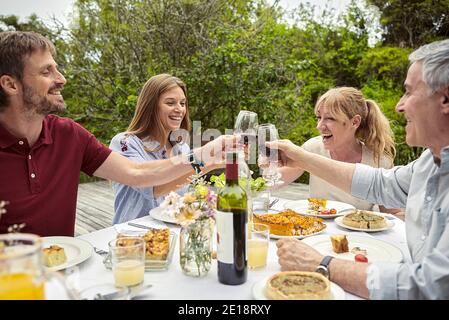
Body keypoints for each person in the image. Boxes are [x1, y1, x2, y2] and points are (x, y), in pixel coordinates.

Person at [0, 31, 233, 237]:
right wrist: (202, 158)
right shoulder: (125, 141)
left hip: (64, 273)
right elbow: (151, 188)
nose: (62, 79)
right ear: (11, 84)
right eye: (46, 71)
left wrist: (203, 157)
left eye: (57, 68)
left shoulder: (69, 135)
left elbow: (135, 172)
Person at [268, 39, 449, 299]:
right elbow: (381, 184)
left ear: (445, 99)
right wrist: (301, 157)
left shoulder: (379, 155)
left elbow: (429, 285)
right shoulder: (428, 163)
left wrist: (322, 264)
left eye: (409, 92)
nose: (399, 106)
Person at [109, 74, 218, 224]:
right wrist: (204, 155)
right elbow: (154, 189)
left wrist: (215, 163)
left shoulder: (182, 148)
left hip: (171, 235)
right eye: (170, 103)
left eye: (182, 103)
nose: (179, 109)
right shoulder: (125, 142)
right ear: (151, 106)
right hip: (131, 239)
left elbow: (183, 180)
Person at [278, 87, 400, 213]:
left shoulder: (379, 161)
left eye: (330, 118)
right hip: (314, 229)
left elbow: (392, 214)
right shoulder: (312, 148)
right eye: (319, 117)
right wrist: (269, 166)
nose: (319, 126)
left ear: (354, 122)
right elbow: (274, 181)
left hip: (357, 232)